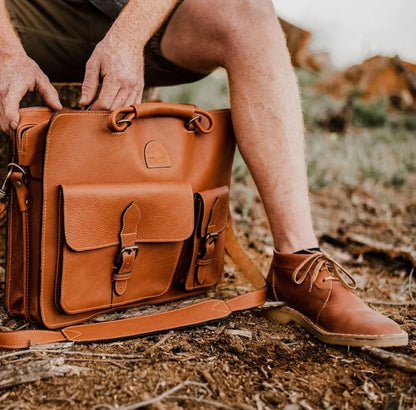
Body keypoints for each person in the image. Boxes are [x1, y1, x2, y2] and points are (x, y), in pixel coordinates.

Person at [0, 0, 408, 347]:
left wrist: (128, 36)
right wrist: (7, 54)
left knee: (247, 12)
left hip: (145, 12)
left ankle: (298, 262)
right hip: (28, 13)